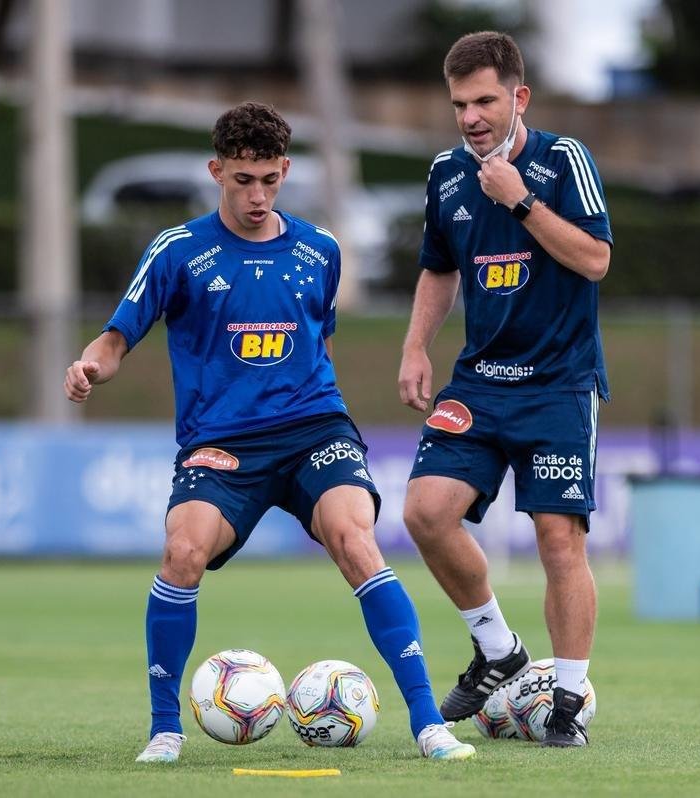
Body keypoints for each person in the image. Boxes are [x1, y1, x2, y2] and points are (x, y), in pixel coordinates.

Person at [66, 102, 475, 764]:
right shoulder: (178, 251)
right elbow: (115, 339)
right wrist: (91, 366)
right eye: (241, 180)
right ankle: (165, 729)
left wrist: (326, 418)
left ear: (285, 171)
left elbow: (320, 345)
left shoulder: (320, 251)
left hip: (316, 429)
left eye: (268, 180)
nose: (256, 195)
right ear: (216, 172)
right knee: (182, 552)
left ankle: (430, 724)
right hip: (222, 444)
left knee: (355, 538)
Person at [396, 31, 612, 748]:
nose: (471, 116)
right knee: (426, 512)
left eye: (485, 100)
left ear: (518, 97)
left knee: (559, 540)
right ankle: (499, 649)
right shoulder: (446, 174)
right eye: (460, 103)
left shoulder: (562, 160)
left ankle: (568, 699)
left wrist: (520, 203)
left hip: (558, 384)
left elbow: (595, 259)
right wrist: (416, 346)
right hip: (480, 383)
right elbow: (437, 267)